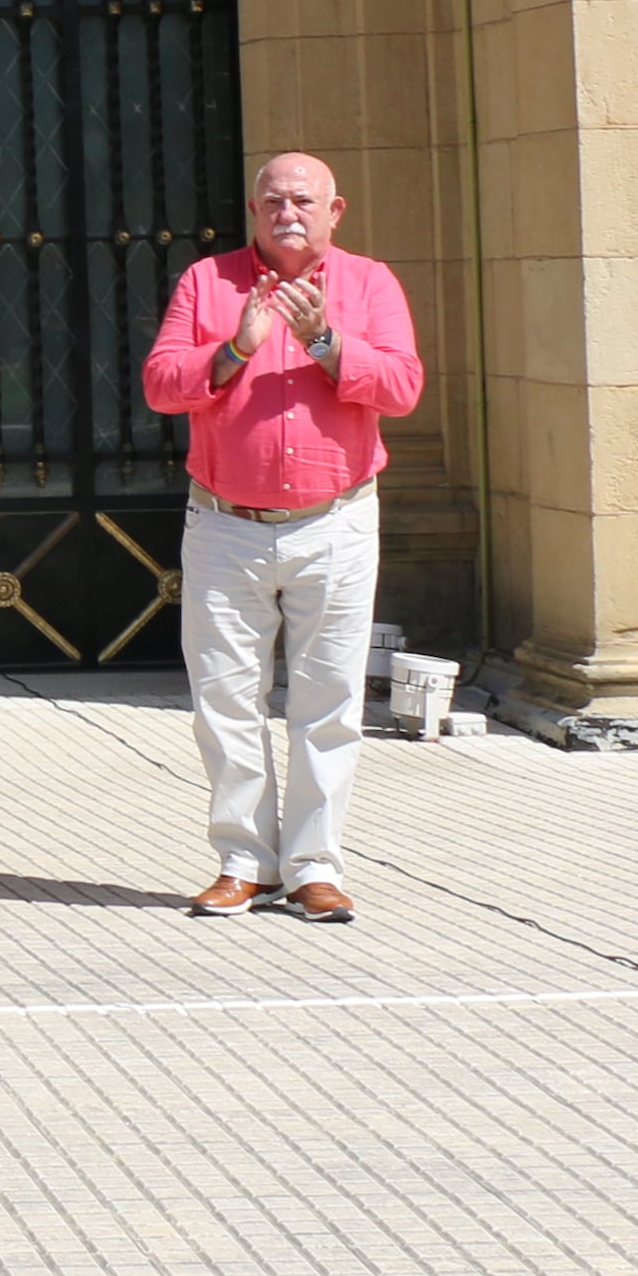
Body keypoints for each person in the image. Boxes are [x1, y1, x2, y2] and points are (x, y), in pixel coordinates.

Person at [140, 150, 428, 925]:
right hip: (227, 525)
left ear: (336, 211)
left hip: (335, 521)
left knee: (327, 700)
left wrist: (329, 342)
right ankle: (243, 860)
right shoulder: (208, 283)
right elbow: (162, 384)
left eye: (304, 200)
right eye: (272, 200)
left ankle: (312, 865)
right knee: (227, 700)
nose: (287, 212)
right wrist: (233, 348)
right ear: (254, 211)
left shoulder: (369, 284)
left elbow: (404, 387)